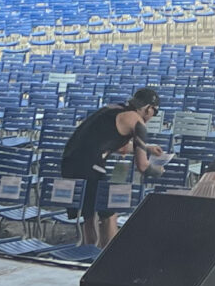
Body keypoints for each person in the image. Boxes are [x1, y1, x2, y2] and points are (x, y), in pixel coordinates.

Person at [60, 86, 163, 247]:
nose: (152, 116)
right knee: (109, 213)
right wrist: (159, 171)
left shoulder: (113, 109)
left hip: (69, 162)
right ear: (148, 109)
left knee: (89, 213)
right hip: (90, 164)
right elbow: (142, 166)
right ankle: (107, 257)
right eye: (155, 112)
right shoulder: (137, 122)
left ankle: (89, 253)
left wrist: (148, 148)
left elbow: (120, 147)